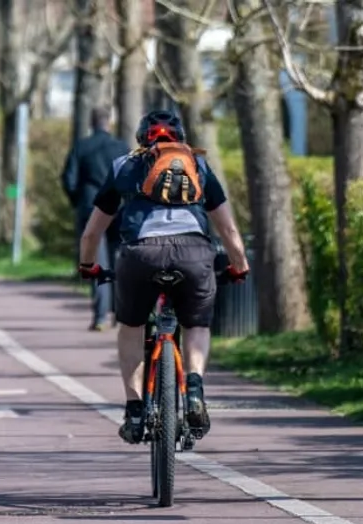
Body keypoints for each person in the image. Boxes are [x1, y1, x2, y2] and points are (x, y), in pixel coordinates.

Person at [75, 110, 250, 444]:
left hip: (140, 255)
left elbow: (91, 234)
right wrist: (239, 265)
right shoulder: (198, 166)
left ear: (142, 140)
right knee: (197, 325)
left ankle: (135, 409)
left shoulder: (124, 167)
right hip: (195, 254)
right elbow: (227, 228)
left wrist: (88, 266)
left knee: (131, 326)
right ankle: (195, 385)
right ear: (181, 139)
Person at [60, 106, 129, 330]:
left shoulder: (82, 147)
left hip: (91, 208)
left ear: (91, 122)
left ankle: (100, 317)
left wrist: (77, 202)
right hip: (119, 208)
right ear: (109, 121)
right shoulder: (121, 148)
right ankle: (121, 313)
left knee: (98, 263)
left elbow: (68, 179)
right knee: (120, 260)